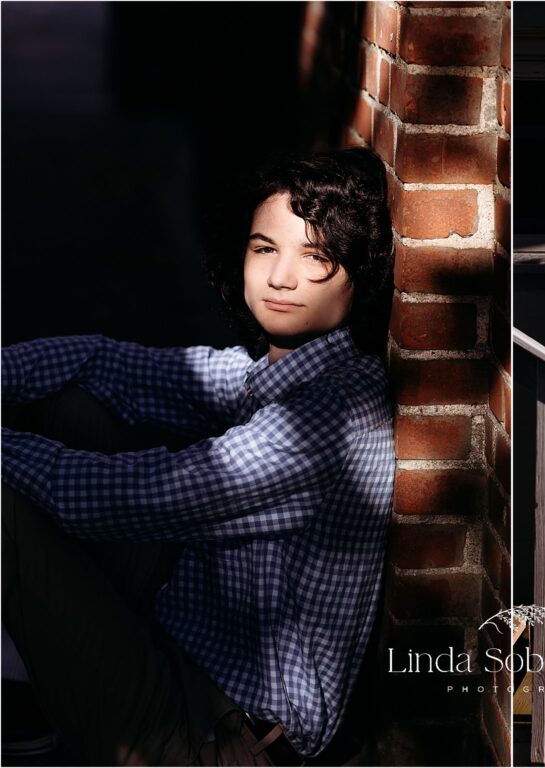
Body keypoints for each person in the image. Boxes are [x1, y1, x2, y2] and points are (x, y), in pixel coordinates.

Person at [1, 147, 396, 765]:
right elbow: (115, 365)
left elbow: (130, 496)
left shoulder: (327, 422)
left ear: (359, 277)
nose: (281, 277)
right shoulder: (280, 373)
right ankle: (30, 689)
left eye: (316, 257)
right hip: (190, 652)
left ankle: (23, 702)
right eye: (265, 248)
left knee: (9, 500)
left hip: (221, 738)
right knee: (70, 410)